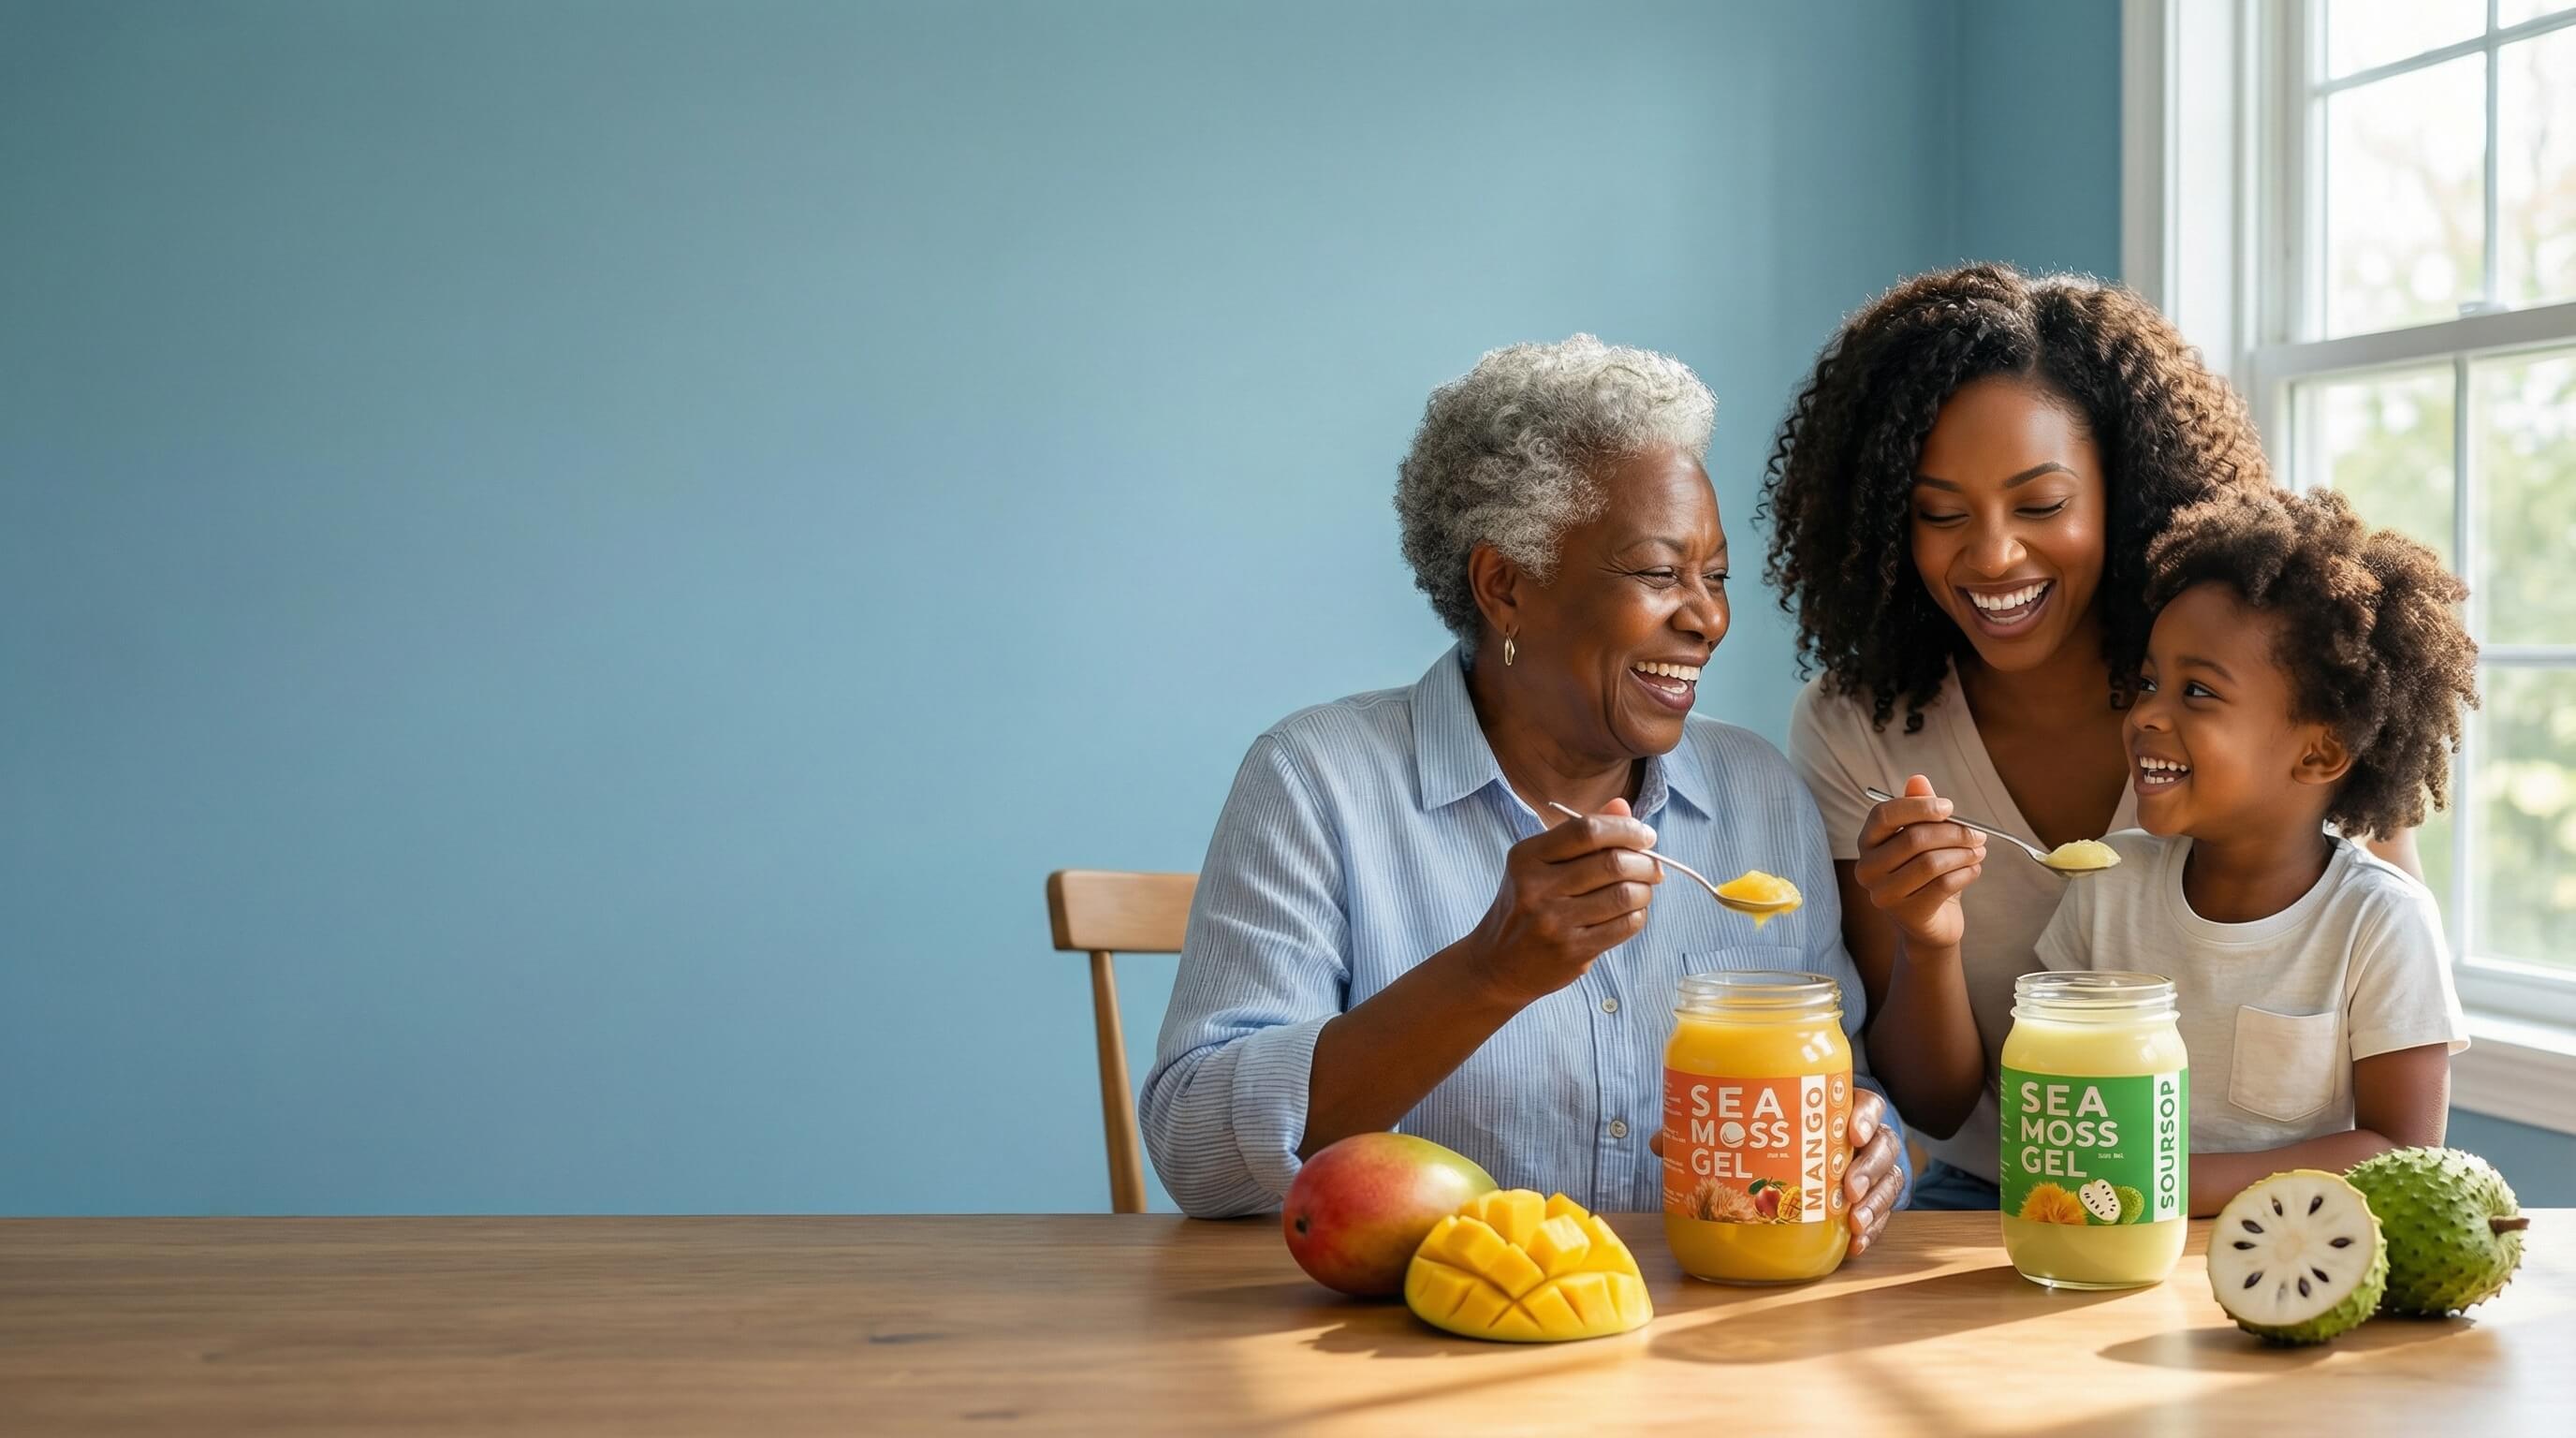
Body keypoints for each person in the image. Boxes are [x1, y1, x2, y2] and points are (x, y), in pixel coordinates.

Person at [1142, 335, 1909, 1249]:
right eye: (1658, 574)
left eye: (1713, 578)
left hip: (1707, 1328)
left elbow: (1845, 1082)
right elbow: (1196, 1150)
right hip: (1404, 1343)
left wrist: (1868, 1144)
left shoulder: (1761, 797)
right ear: (1504, 586)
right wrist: (1485, 975)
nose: (1706, 619)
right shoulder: (1316, 780)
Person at [1763, 263, 2418, 1211]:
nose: (1990, 556)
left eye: (2040, 506)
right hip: (2002, 1202)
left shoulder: (2271, 698)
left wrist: (2150, 1185)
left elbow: (2393, 1062)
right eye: (1940, 514)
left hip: (2289, 1213)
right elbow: (1935, 1106)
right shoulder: (1857, 729)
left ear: (2130, 492)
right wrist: (1926, 942)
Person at [1866, 486, 2473, 1211]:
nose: (2147, 712)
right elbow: (2042, 1096)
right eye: (2151, 681)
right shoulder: (2109, 884)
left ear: (2320, 754)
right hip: (2093, 1226)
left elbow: (2402, 1149)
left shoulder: (2380, 923)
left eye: (2198, 693)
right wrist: (1932, 934)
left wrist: (2168, 1184)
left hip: (2283, 1249)